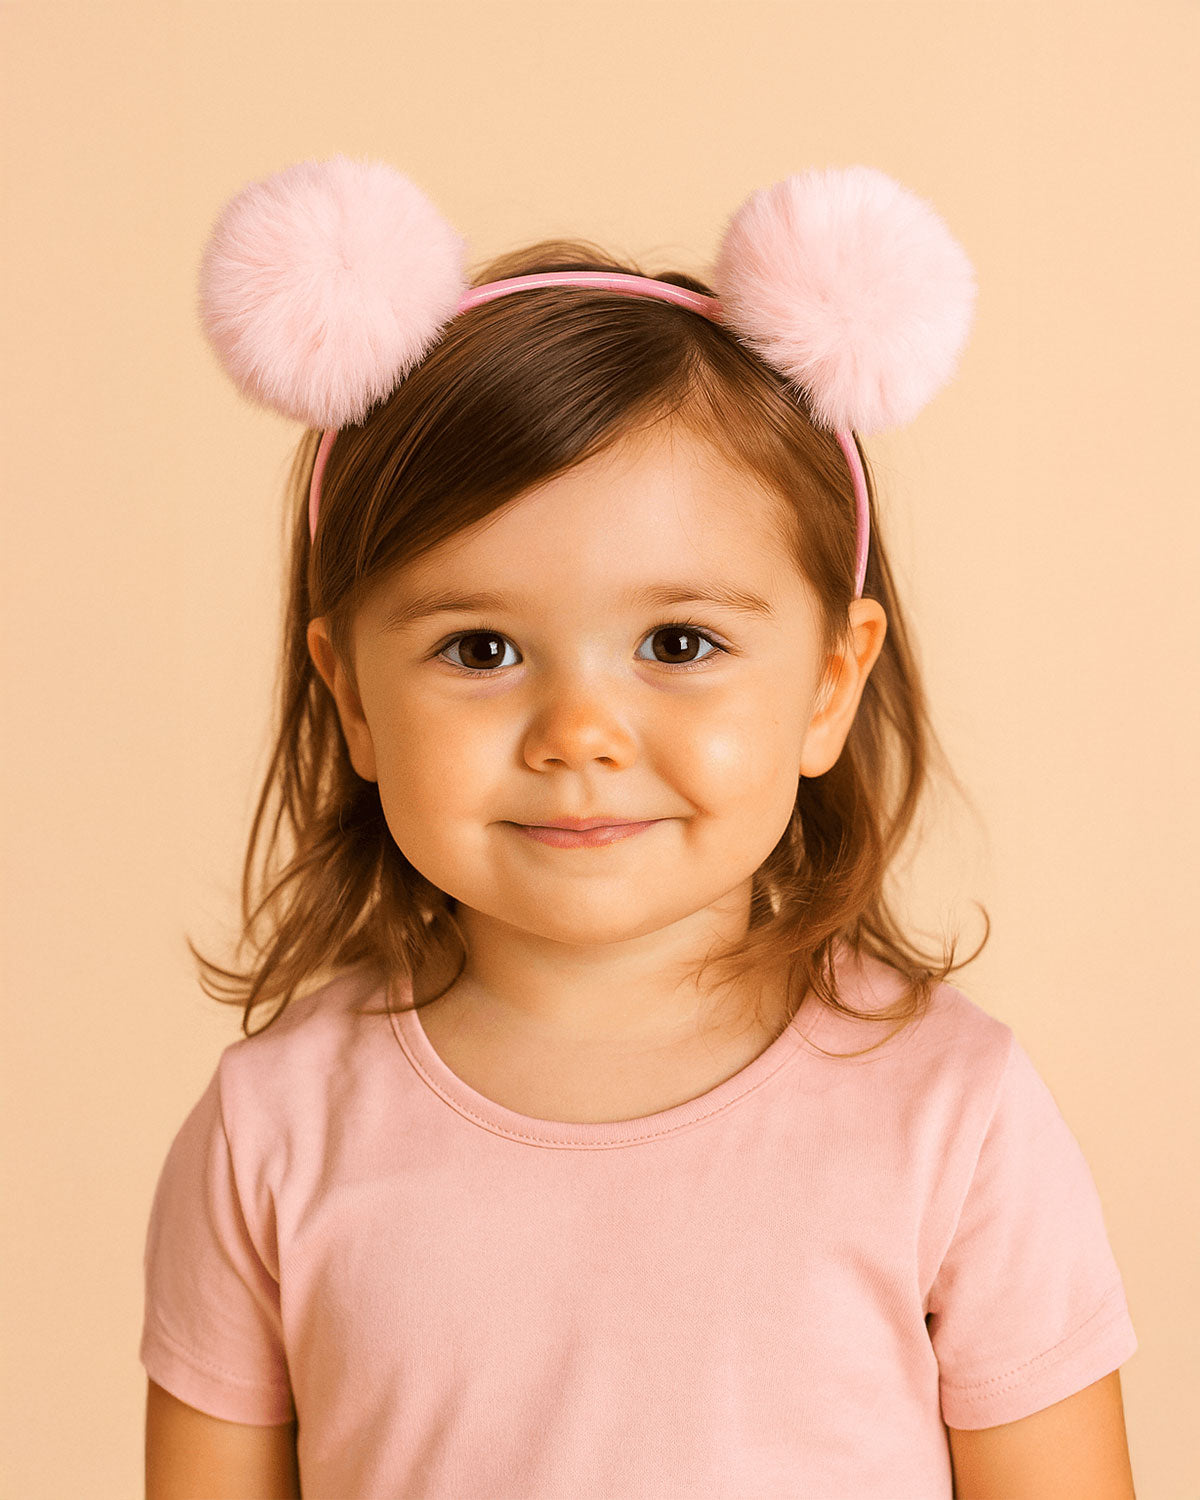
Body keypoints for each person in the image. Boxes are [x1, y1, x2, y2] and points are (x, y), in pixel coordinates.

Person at [141, 156, 1138, 1499]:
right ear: (352, 696)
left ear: (829, 686)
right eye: (480, 646)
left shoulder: (954, 1120)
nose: (578, 732)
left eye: (678, 642)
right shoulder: (271, 1135)